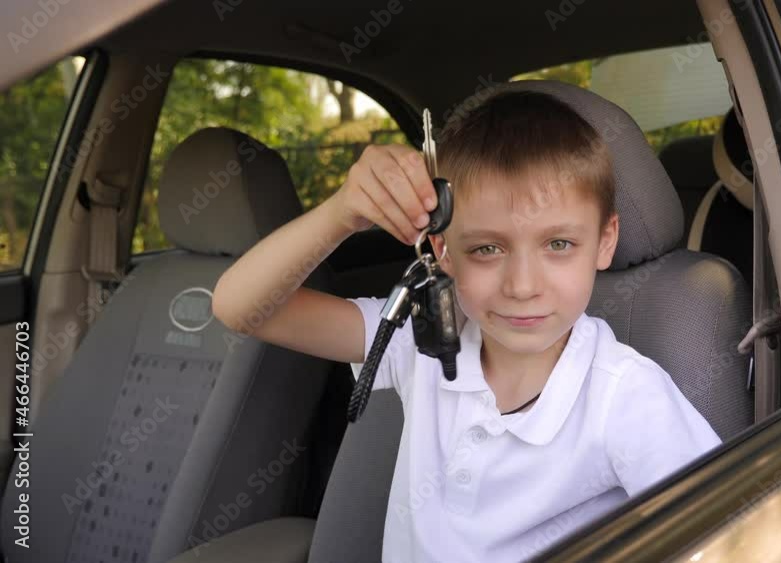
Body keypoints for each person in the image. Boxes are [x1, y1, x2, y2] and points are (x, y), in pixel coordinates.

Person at [212, 88, 720, 562]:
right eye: (486, 249)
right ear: (443, 251)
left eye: (558, 244)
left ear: (606, 241)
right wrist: (343, 212)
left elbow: (728, 535)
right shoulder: (417, 342)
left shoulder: (625, 398)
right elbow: (241, 308)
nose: (522, 285)